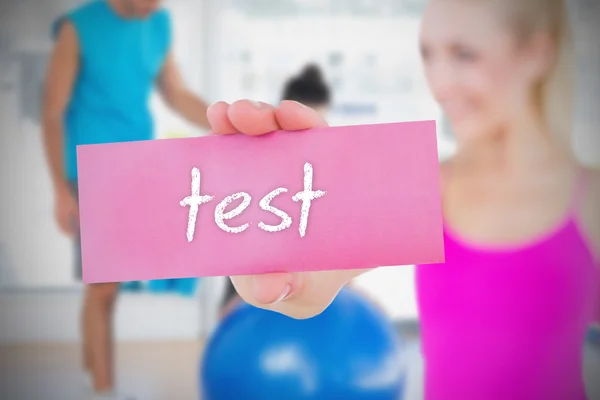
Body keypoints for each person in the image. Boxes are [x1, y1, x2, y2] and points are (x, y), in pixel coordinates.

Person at [206, 0, 600, 398]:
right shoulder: (427, 186)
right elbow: (323, 278)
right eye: (429, 55)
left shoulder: (592, 199)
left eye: (464, 54)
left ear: (537, 52)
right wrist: (297, 282)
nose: (440, 83)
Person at [42, 0, 210, 398]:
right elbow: (53, 112)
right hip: (88, 169)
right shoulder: (77, 28)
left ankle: (91, 371)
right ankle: (103, 388)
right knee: (102, 286)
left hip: (135, 167)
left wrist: (227, 121)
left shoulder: (159, 23)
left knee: (109, 286)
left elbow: (177, 93)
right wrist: (60, 190)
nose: (160, 4)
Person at [218, 63, 332, 320]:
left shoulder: (325, 169)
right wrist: (234, 300)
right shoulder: (259, 162)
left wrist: (353, 290)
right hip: (255, 284)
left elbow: (331, 244)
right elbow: (240, 235)